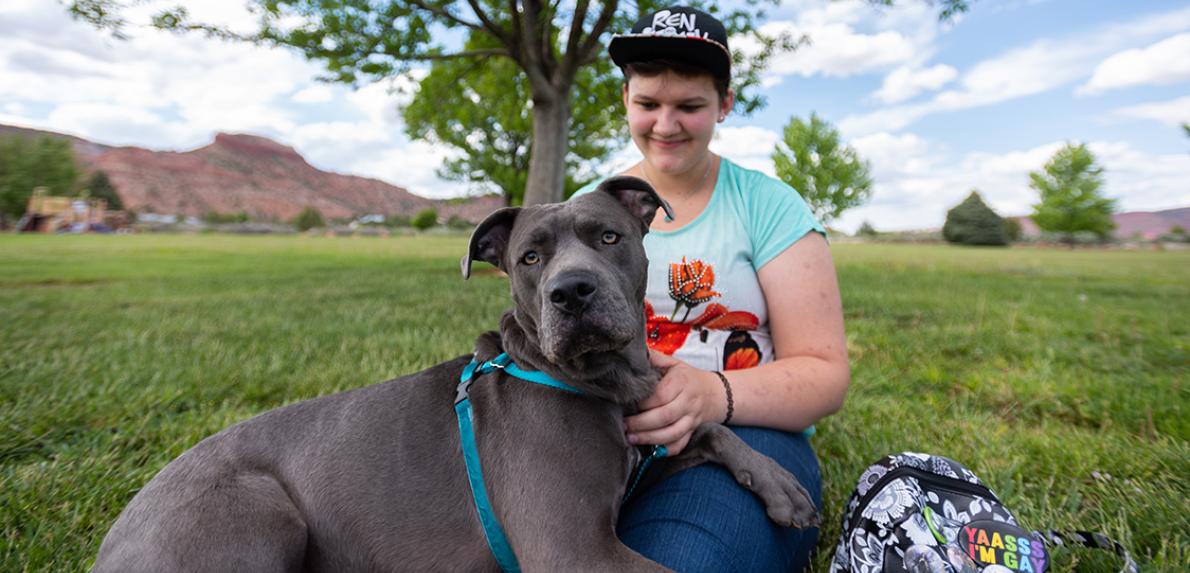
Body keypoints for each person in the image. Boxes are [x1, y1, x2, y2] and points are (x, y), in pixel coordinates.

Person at [574, 6, 851, 572]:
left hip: (740, 432)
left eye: (690, 106)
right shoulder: (585, 208)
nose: (666, 124)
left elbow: (824, 372)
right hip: (598, 429)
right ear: (626, 98)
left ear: (725, 104)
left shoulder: (768, 206)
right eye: (648, 103)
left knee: (685, 559)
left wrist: (711, 395)